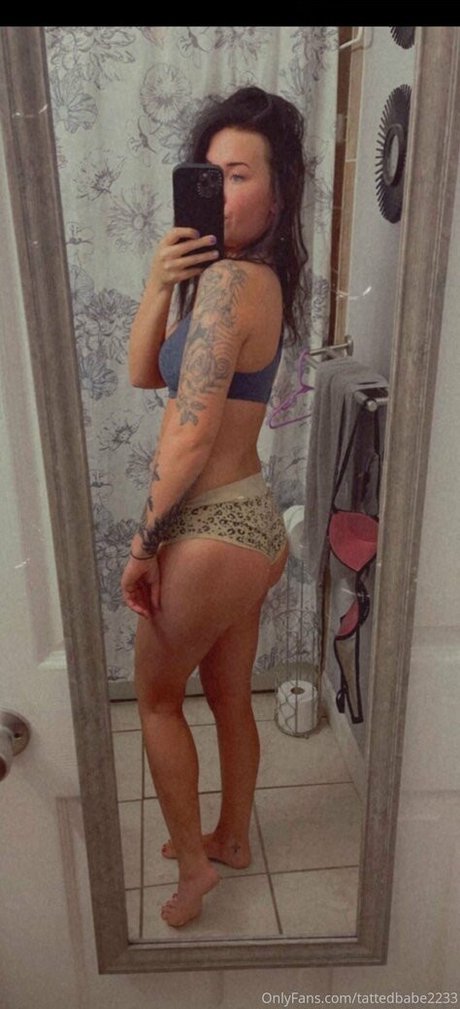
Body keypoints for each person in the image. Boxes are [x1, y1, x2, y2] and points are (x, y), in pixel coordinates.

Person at [120, 86, 308, 928]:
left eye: (239, 175)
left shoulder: (232, 282)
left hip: (209, 527)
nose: (221, 192)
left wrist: (142, 545)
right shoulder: (241, 281)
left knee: (159, 700)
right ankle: (230, 835)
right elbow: (146, 373)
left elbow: (190, 439)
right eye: (209, 174)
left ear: (278, 193)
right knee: (231, 696)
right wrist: (161, 282)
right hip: (253, 521)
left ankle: (196, 869)